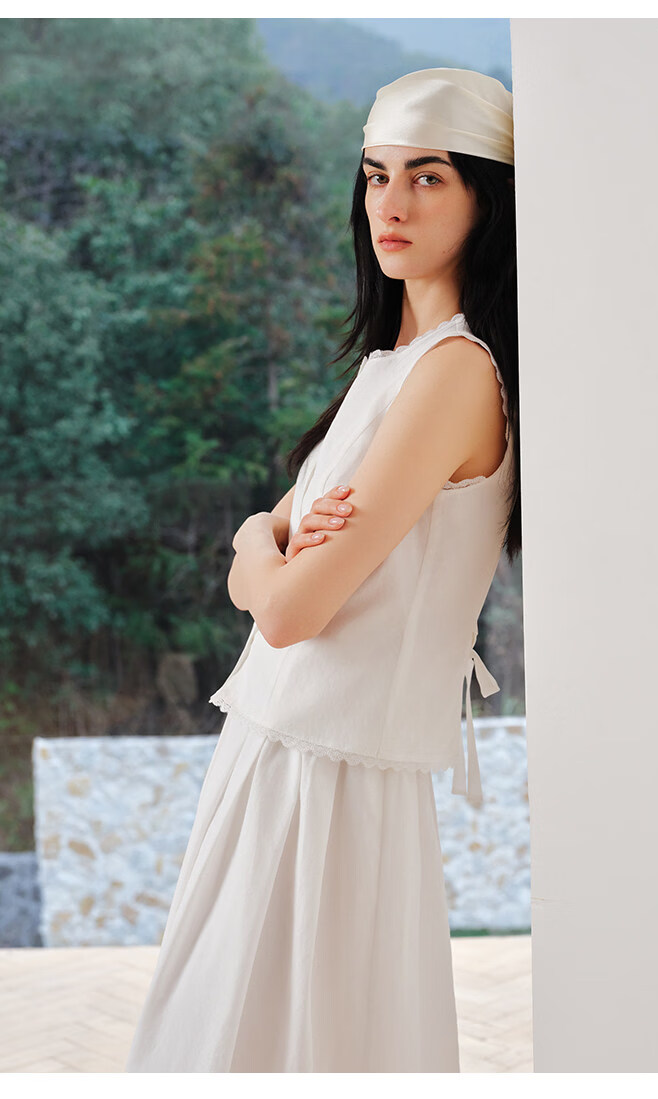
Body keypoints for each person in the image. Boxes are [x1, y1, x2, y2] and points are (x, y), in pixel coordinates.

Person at [124, 66, 520, 1073]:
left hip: (330, 775)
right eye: (377, 175)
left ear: (486, 197)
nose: (391, 203)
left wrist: (254, 545)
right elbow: (272, 558)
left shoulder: (456, 373)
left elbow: (289, 607)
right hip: (281, 748)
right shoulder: (393, 366)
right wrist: (261, 542)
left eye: (428, 177)